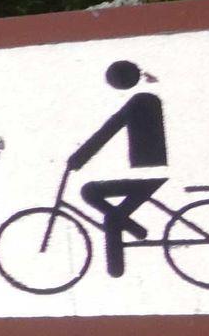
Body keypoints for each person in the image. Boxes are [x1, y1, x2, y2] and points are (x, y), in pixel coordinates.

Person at [67, 58, 167, 277]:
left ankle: (116, 270)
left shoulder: (140, 102)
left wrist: (77, 159)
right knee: (90, 192)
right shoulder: (146, 100)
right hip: (149, 174)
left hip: (150, 176)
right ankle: (136, 229)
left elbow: (109, 130)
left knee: (111, 217)